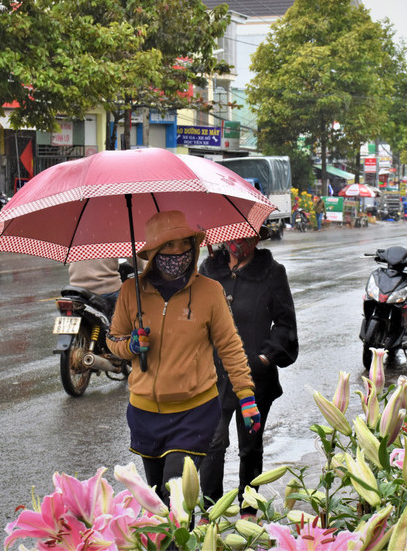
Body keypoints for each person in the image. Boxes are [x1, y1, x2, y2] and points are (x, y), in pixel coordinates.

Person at [106, 211, 256, 503]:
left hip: (195, 412)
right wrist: (131, 347)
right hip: (144, 413)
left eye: (183, 243)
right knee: (158, 501)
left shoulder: (210, 292)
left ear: (194, 245)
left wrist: (246, 395)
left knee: (175, 494)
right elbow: (115, 340)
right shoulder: (130, 291)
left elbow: (230, 346)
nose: (178, 252)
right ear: (152, 251)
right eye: (167, 245)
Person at [198, 228, 298, 515]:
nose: (236, 241)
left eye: (244, 235)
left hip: (255, 378)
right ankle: (210, 509)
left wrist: (265, 358)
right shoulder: (208, 269)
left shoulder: (272, 272)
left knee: (250, 446)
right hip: (213, 376)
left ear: (256, 238)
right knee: (213, 442)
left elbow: (285, 323)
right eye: (232, 233)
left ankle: (249, 509)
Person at [68, 257, 142, 317]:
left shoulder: (75, 240)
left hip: (76, 290)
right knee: (135, 309)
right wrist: (149, 267)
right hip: (105, 288)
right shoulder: (110, 239)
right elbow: (135, 258)